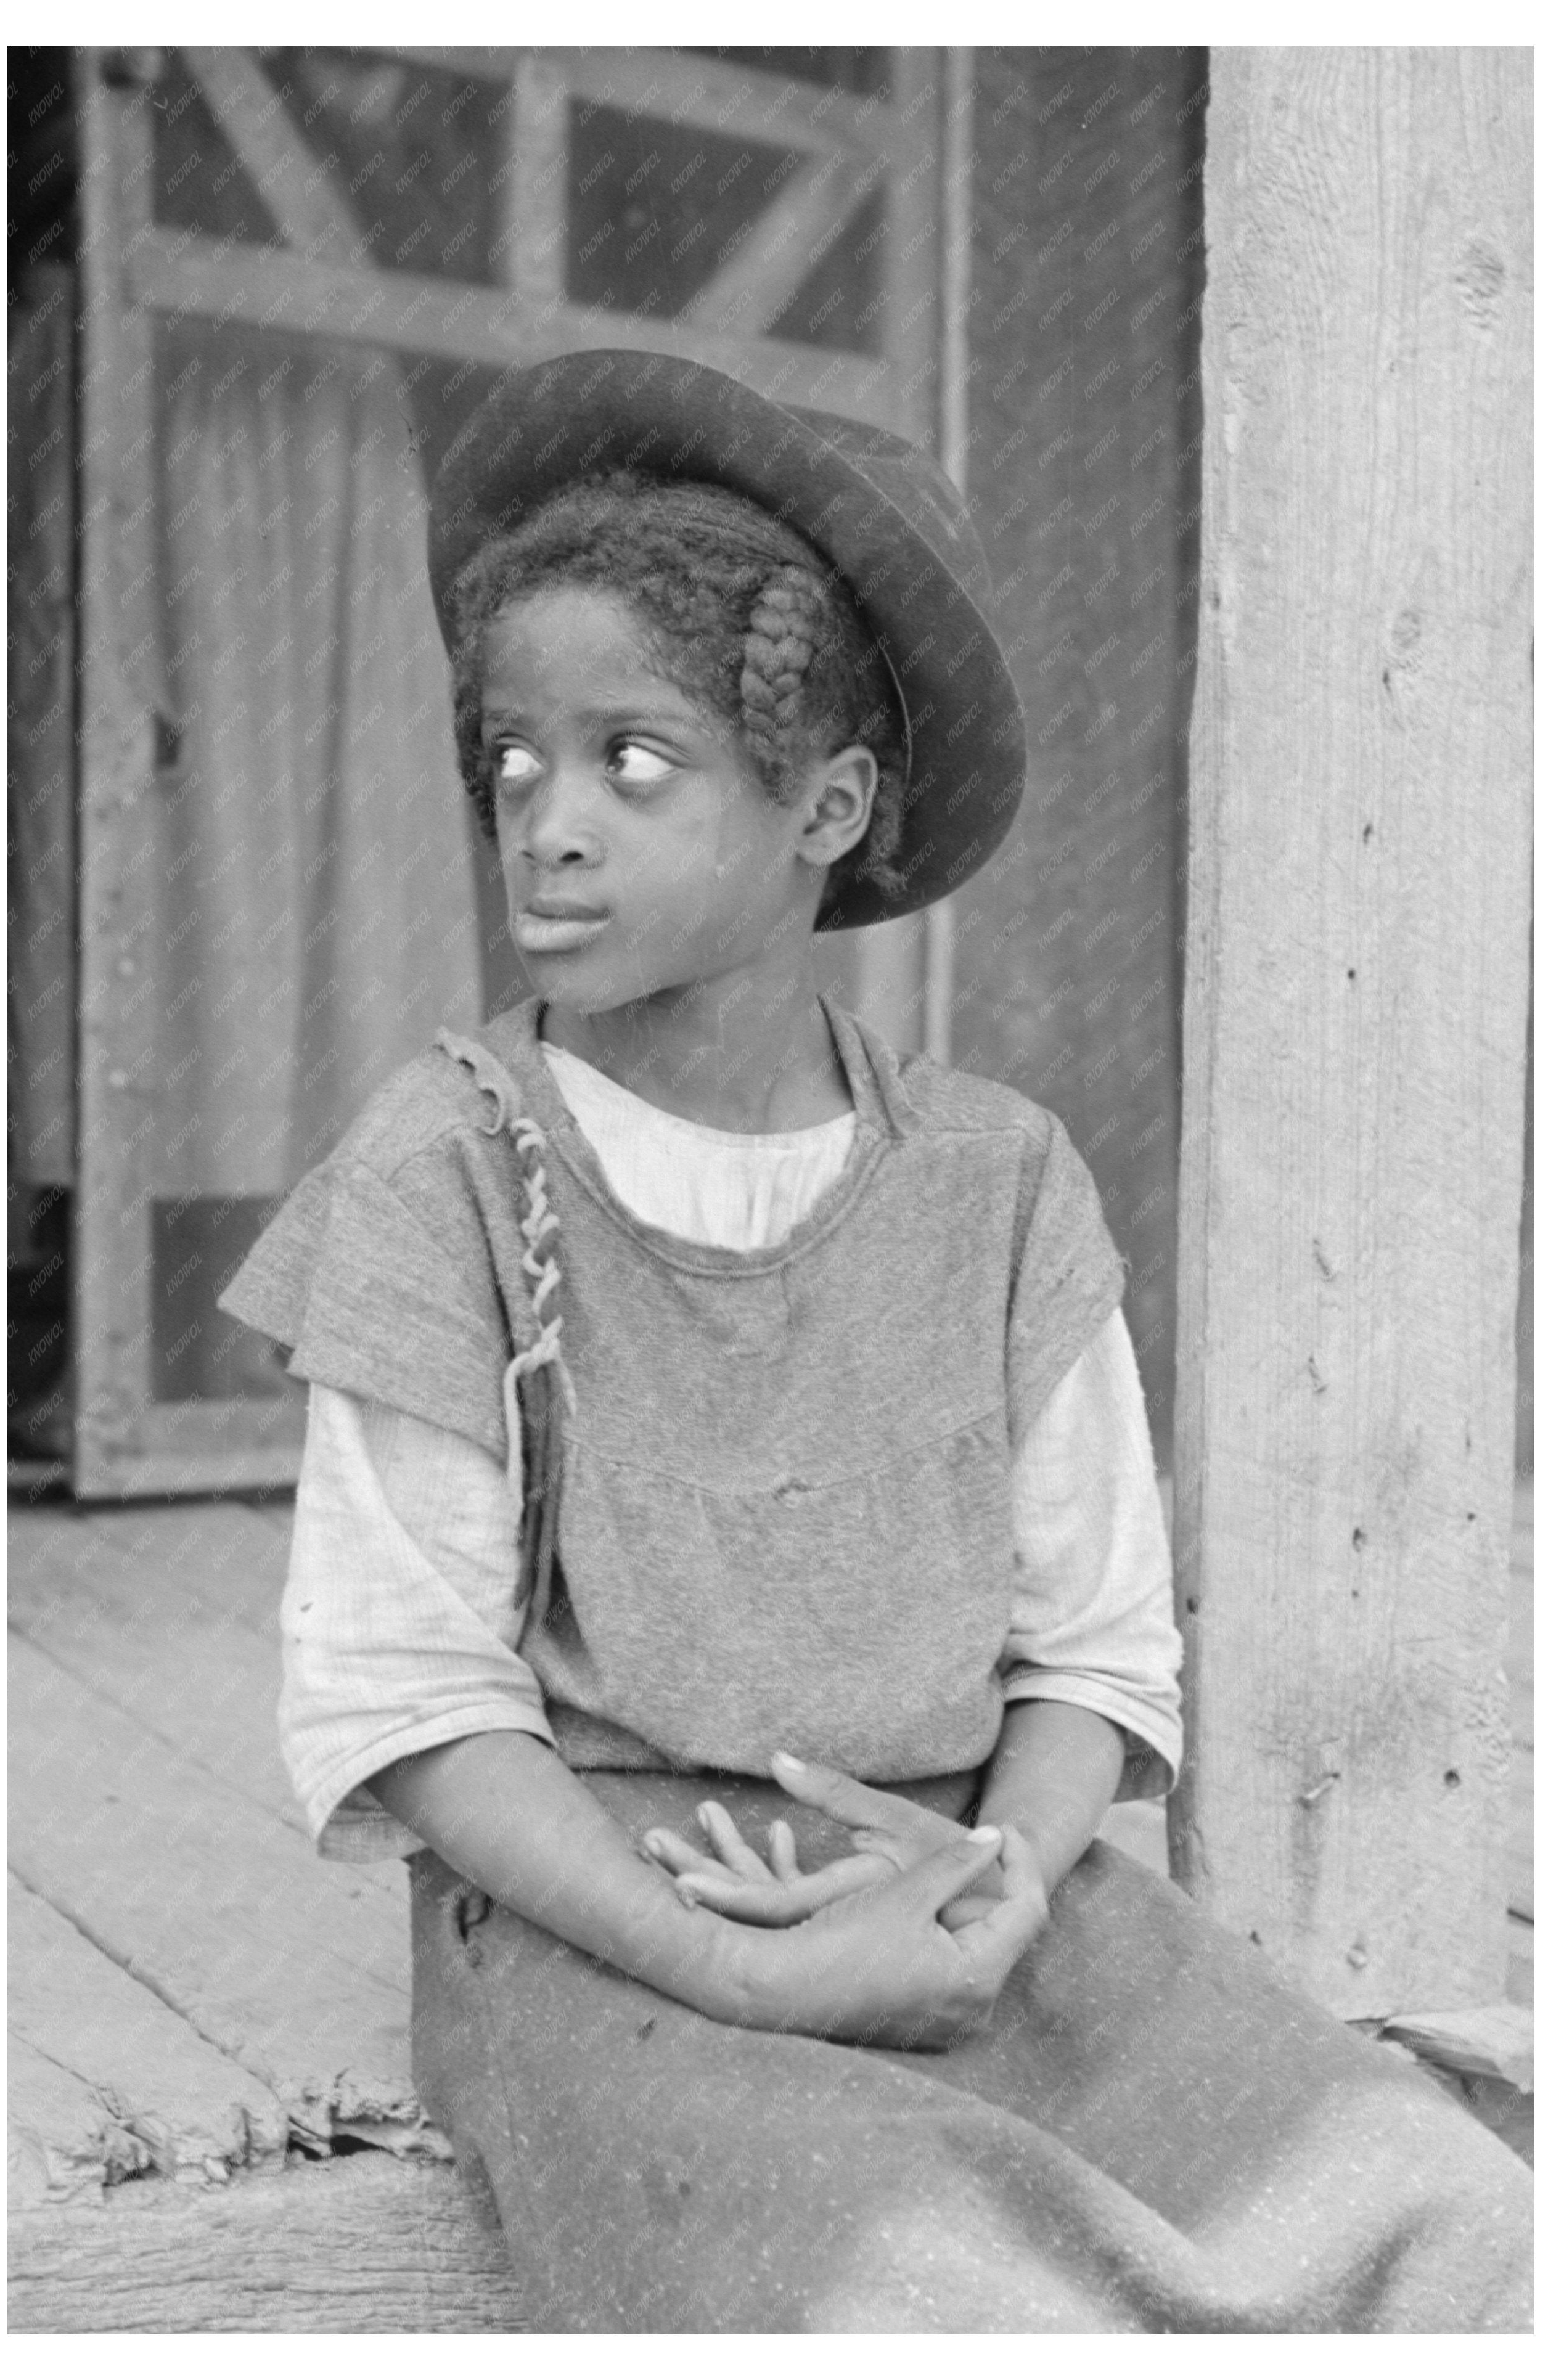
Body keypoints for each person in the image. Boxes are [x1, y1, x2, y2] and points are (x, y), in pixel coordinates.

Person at [218, 349, 1531, 2334]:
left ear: (827, 804)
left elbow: (1092, 1648)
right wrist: (745, 1969)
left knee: (1444, 2211)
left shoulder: (997, 1185)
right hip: (610, 1940)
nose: (547, 825)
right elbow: (408, 1703)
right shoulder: (449, 1170)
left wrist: (997, 1891)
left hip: (971, 1876)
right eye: (513, 762)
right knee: (920, 2285)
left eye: (631, 761)